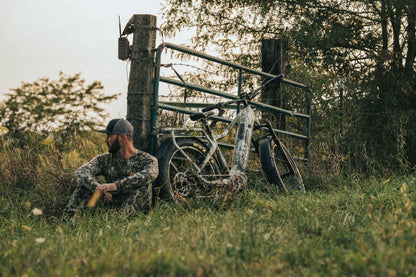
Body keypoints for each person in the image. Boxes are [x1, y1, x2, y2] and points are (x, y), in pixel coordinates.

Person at [64, 118, 158, 214]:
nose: (105, 140)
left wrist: (115, 186)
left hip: (135, 212)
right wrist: (99, 188)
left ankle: (127, 218)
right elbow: (81, 172)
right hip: (110, 209)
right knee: (84, 187)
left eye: (109, 136)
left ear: (122, 138)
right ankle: (70, 220)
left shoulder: (147, 159)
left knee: (138, 185)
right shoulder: (103, 160)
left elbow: (150, 174)